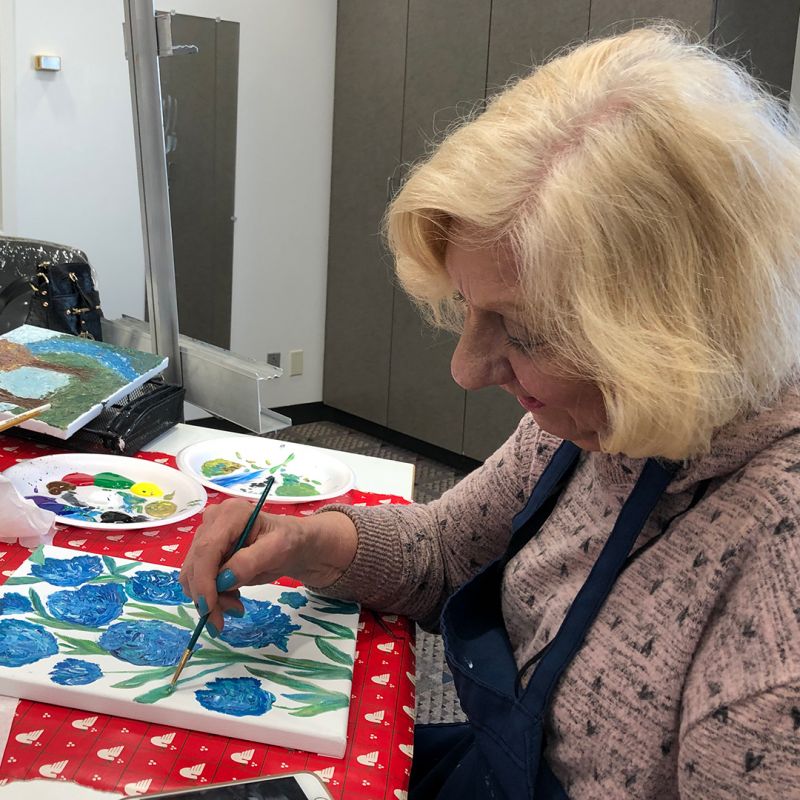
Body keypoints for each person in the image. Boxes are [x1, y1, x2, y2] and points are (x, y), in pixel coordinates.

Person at [180, 26, 800, 799]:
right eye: (470, 309)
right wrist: (307, 541)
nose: (466, 369)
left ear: (680, 328)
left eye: (529, 332)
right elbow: (447, 551)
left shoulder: (776, 643)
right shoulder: (598, 418)